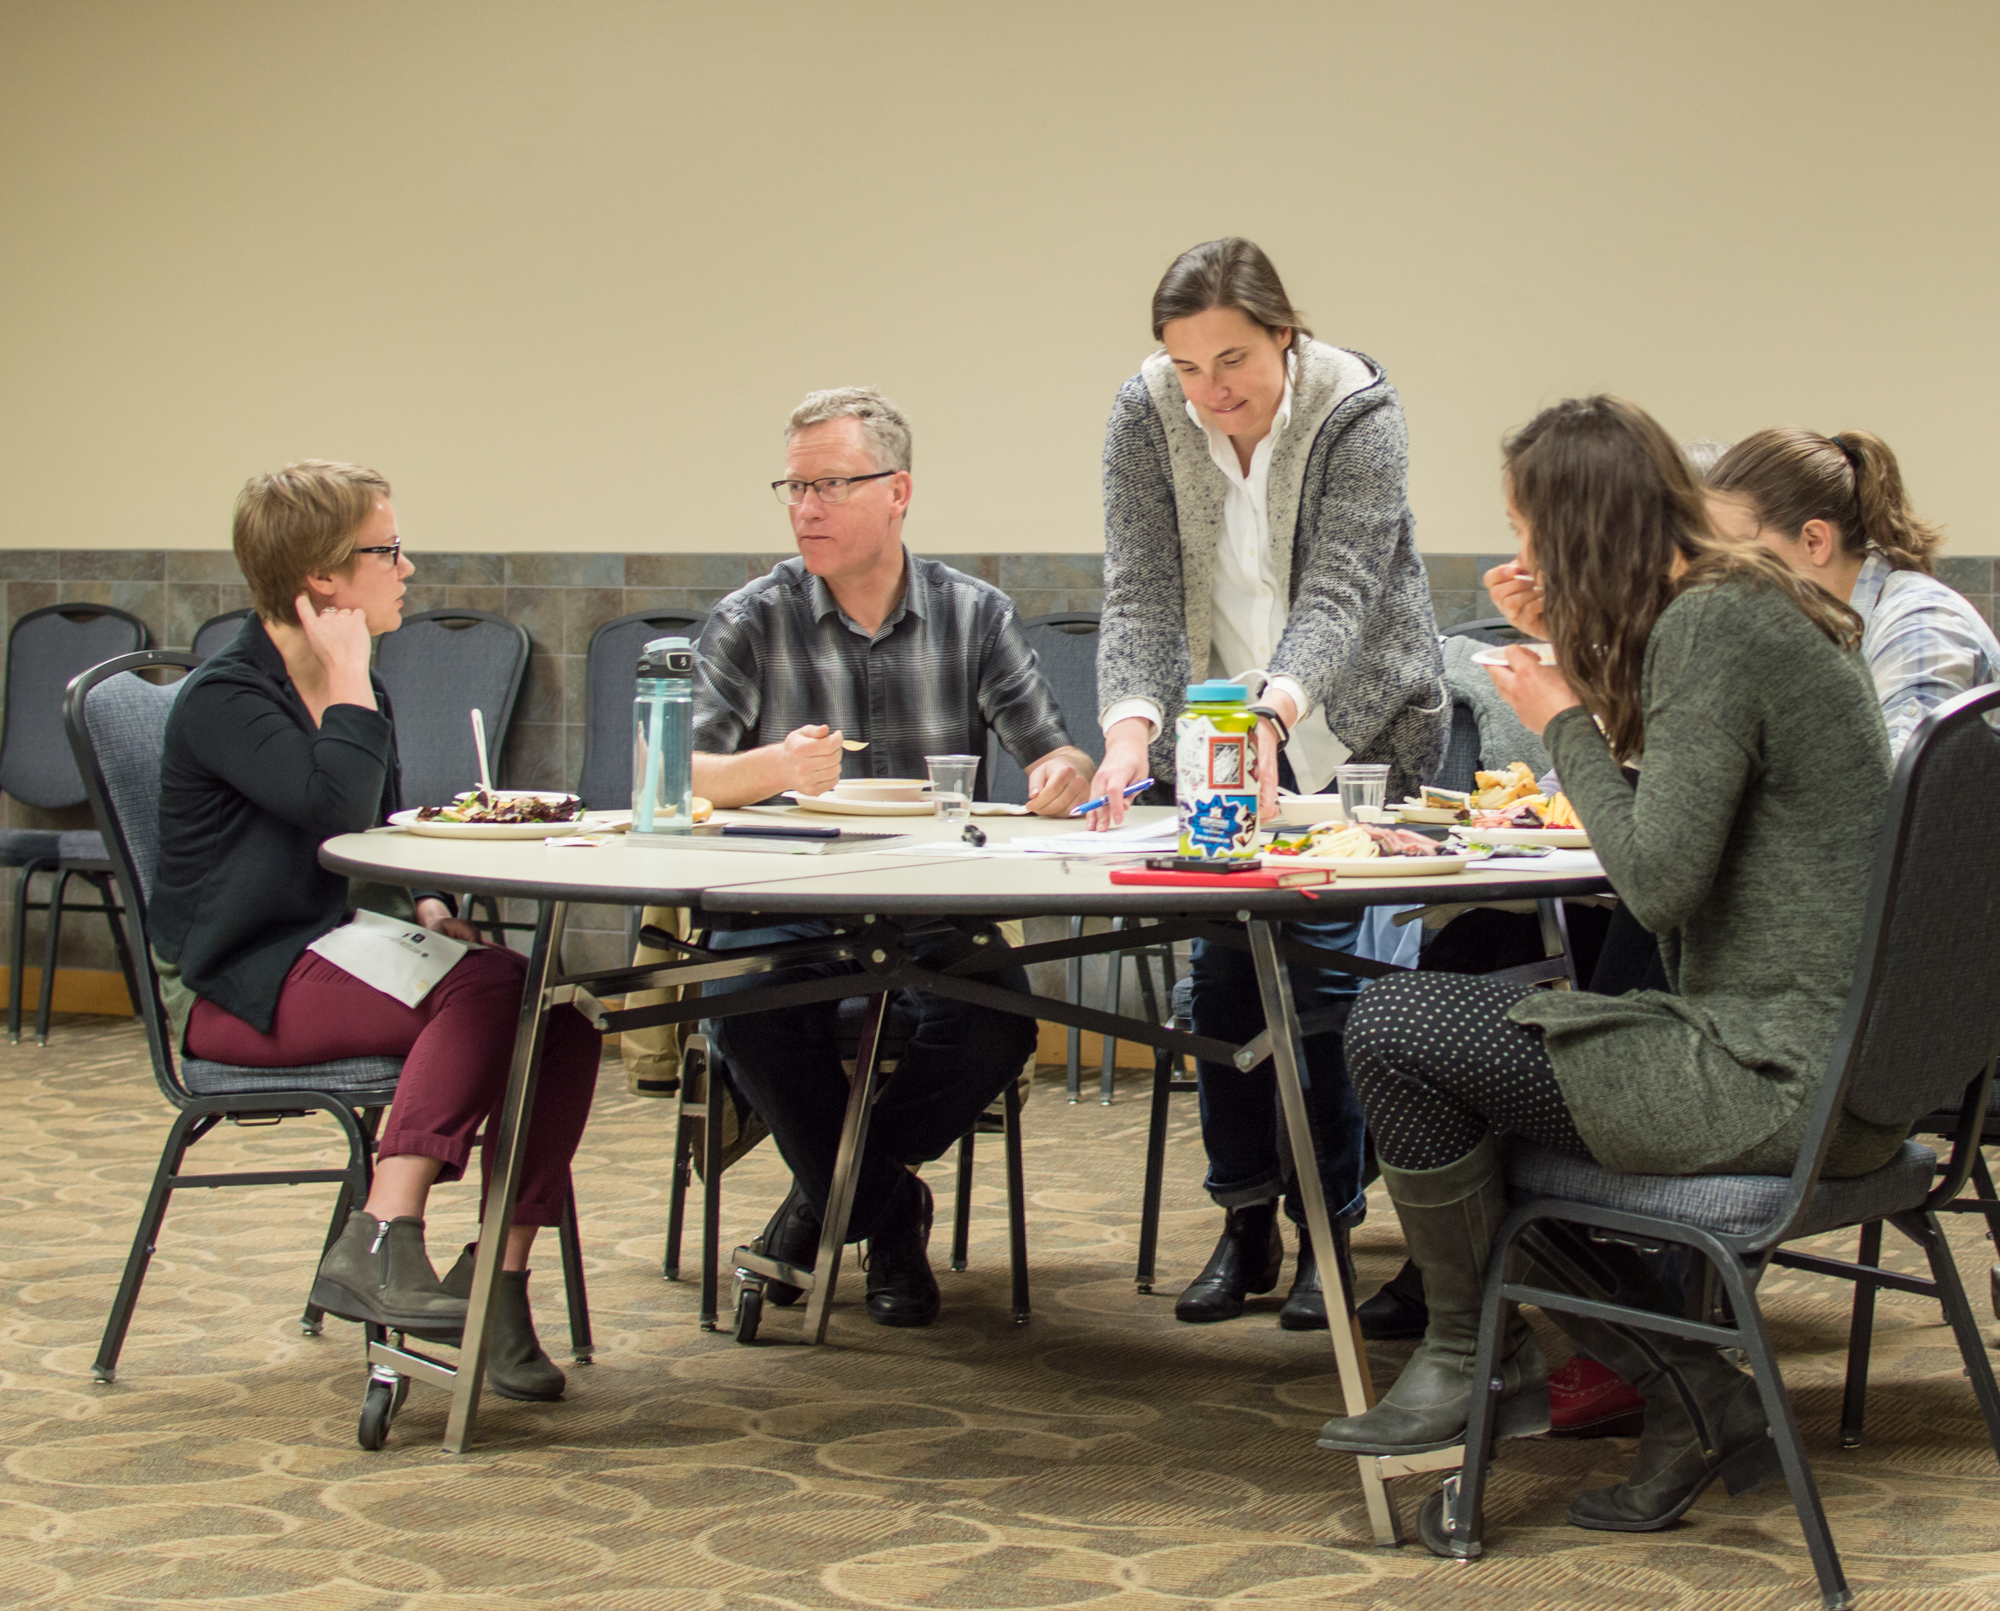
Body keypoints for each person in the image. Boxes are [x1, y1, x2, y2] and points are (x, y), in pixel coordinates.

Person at [1318, 396, 1905, 1539]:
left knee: (1396, 1028)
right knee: (1457, 1059)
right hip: (1841, 1073)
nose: (1522, 554)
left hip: (1768, 1074)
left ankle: (1468, 1362)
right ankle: (1688, 1398)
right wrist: (1581, 649)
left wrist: (1561, 716)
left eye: (1530, 531)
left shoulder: (1715, 625)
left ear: (1581, 529)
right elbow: (1692, 785)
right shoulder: (1745, 606)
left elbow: (1654, 879)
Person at [150, 462, 602, 1403]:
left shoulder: (362, 697)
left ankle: (499, 1284)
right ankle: (384, 1232)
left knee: (560, 1013)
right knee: (489, 990)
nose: (407, 566)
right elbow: (331, 808)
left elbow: (377, 838)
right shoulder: (228, 698)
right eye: (386, 549)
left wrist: (434, 907)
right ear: (323, 577)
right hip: (237, 986)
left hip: (333, 950)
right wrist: (352, 677)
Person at [1089, 237, 1446, 1330]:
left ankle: (1321, 1234)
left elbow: (1339, 589)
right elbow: (1140, 589)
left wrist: (1273, 714)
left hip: (1353, 727)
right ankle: (1245, 1221)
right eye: (1188, 368)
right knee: (1226, 981)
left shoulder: (1355, 409)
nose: (1212, 391)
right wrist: (1127, 731)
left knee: (1323, 983)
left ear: (1285, 336)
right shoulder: (1143, 417)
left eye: (1233, 360)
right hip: (1215, 733)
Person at [692, 387, 1094, 1328]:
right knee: (741, 1008)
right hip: (785, 899)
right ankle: (890, 1210)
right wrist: (774, 767)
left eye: (831, 483)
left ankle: (828, 1199)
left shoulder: (973, 614)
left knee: (997, 1022)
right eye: (793, 487)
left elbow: (1057, 748)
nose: (806, 508)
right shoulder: (752, 617)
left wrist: (1065, 773)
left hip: (932, 905)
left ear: (898, 489)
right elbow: (676, 773)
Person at [1707, 426, 1999, 758]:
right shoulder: (1823, 635)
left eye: (1738, 549)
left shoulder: (1919, 626)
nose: (1722, 572)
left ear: (1815, 542)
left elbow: (1894, 799)